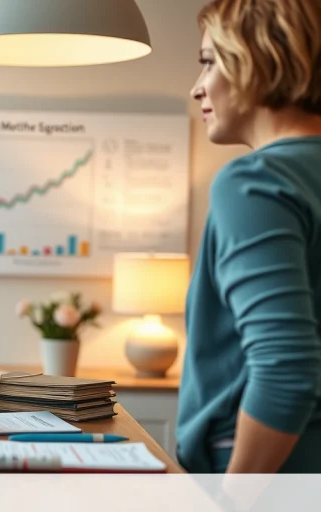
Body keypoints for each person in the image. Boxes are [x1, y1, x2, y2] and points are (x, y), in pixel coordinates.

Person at [178, 0, 321, 473]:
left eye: (209, 61)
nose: (198, 87)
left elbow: (286, 373)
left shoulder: (254, 181)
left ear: (260, 55)